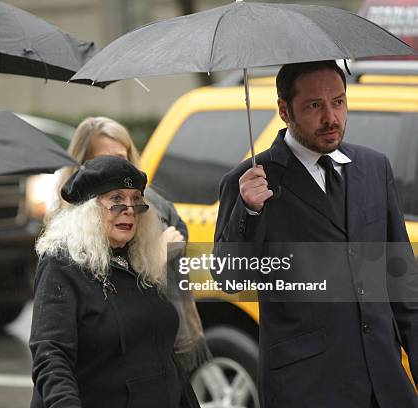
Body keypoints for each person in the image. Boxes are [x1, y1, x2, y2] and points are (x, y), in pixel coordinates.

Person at [215, 60, 418, 408]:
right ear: (284, 109)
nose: (331, 117)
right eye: (314, 106)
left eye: (338, 102)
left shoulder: (374, 168)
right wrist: (249, 211)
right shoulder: (250, 182)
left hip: (385, 384)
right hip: (306, 389)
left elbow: (403, 286)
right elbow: (229, 278)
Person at [30, 156, 199, 408]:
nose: (129, 209)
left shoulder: (142, 259)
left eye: (135, 199)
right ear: (88, 210)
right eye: (116, 199)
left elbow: (163, 357)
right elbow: (51, 357)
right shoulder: (61, 264)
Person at [54, 116, 210, 375]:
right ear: (84, 167)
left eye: (122, 157)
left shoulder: (153, 207)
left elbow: (179, 235)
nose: (118, 167)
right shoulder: (65, 231)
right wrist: (154, 257)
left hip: (160, 349)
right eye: (106, 159)